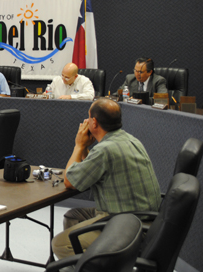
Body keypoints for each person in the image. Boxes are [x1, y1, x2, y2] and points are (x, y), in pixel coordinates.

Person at [51, 98, 161, 260]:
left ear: (94, 123)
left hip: (125, 224)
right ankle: (94, 262)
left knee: (61, 244)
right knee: (74, 216)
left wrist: (79, 146)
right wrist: (86, 149)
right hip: (144, 218)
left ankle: (91, 264)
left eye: (88, 117)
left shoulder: (105, 149)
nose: (86, 121)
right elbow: (90, 171)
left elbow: (70, 182)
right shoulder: (130, 139)